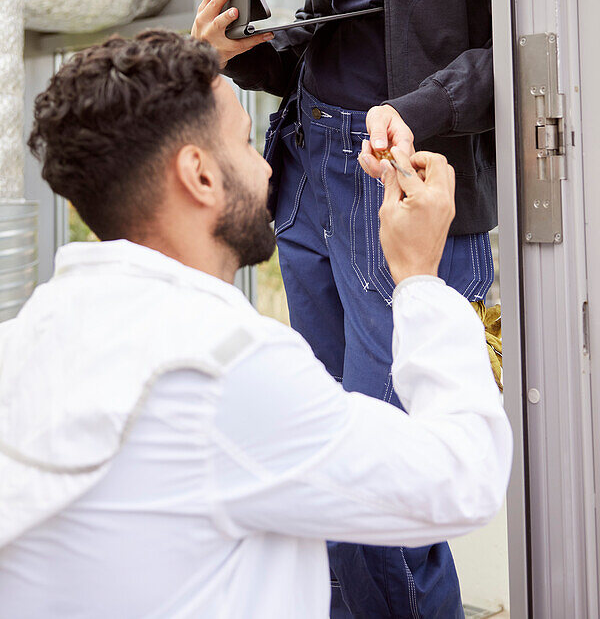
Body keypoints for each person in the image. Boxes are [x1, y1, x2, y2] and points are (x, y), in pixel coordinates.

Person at [192, 0, 495, 617]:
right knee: (323, 460)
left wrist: (413, 106)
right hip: (313, 175)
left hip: (396, 184)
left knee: (386, 479)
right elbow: (347, 31)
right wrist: (249, 48)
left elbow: (532, 48)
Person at [0, 30, 510, 618]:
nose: (268, 170)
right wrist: (419, 278)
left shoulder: (24, 342)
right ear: (199, 174)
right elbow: (461, 482)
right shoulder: (223, 369)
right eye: (246, 143)